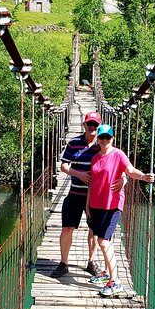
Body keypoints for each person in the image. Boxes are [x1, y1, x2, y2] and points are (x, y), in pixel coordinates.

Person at [51, 112, 126, 278]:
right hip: (75, 193)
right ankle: (63, 264)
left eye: (95, 125)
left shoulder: (103, 143)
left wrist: (124, 180)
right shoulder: (73, 143)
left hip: (97, 197)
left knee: (93, 230)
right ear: (84, 125)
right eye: (89, 124)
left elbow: (119, 164)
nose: (92, 128)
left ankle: (91, 262)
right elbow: (63, 166)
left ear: (98, 127)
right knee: (67, 228)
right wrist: (79, 174)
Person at [86, 124, 155, 296]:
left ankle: (115, 281)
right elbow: (92, 183)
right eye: (101, 137)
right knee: (102, 240)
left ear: (112, 139)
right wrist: (87, 205)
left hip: (113, 205)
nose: (104, 141)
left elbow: (130, 170)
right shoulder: (95, 158)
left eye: (107, 138)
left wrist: (144, 177)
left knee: (103, 241)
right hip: (96, 204)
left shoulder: (118, 154)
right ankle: (108, 274)